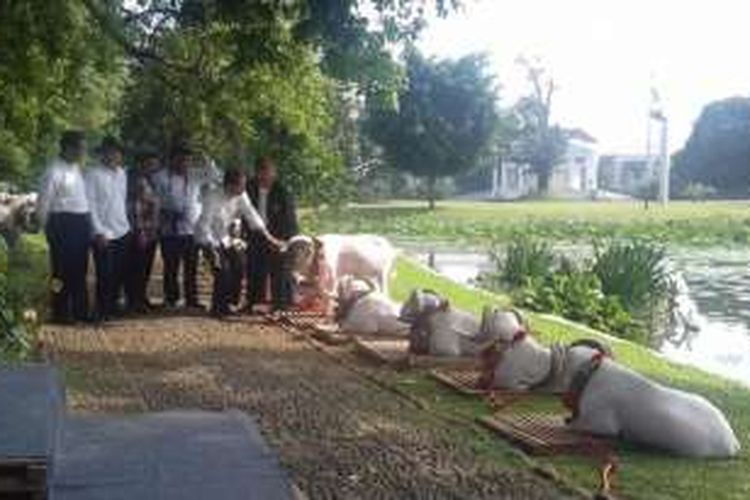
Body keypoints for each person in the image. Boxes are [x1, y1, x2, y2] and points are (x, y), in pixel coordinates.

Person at [195, 168, 282, 318]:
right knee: (223, 270)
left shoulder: (241, 194)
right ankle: (218, 308)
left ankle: (229, 303)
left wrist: (269, 238)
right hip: (207, 238)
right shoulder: (212, 197)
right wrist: (212, 251)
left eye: (244, 185)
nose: (244, 189)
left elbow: (251, 215)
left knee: (239, 265)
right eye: (241, 185)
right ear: (229, 185)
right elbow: (204, 226)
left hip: (225, 238)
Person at [37, 131, 92, 324]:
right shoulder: (53, 170)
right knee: (60, 271)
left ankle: (81, 311)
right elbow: (43, 202)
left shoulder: (76, 168)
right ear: (68, 147)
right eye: (81, 148)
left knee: (80, 269)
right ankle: (59, 311)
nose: (83, 152)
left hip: (80, 222)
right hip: (61, 223)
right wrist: (46, 228)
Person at [85, 136, 131, 321]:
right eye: (109, 152)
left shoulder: (122, 174)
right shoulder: (92, 174)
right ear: (102, 153)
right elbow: (90, 204)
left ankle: (112, 307)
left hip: (122, 229)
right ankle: (101, 310)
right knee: (104, 273)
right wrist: (98, 231)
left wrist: (127, 226)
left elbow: (121, 200)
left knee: (119, 273)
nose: (113, 156)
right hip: (103, 233)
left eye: (117, 152)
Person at [151, 145, 203, 310]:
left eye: (187, 160)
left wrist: (205, 157)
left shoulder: (195, 176)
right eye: (180, 159)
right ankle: (171, 299)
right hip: (169, 228)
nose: (184, 163)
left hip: (191, 229)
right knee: (171, 266)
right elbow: (155, 200)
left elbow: (215, 175)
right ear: (172, 159)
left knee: (191, 267)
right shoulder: (160, 177)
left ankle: (192, 299)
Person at [245, 156, 299, 312]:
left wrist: (285, 242)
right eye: (261, 172)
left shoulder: (283, 191)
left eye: (268, 172)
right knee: (254, 269)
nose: (264, 176)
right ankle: (253, 302)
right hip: (256, 234)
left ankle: (281, 305)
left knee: (280, 271)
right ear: (256, 173)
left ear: (274, 173)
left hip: (279, 236)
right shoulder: (249, 188)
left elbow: (290, 219)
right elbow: (242, 211)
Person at [125, 151, 161, 313]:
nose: (154, 167)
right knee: (137, 267)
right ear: (141, 164)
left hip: (151, 230)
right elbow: (135, 207)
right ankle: (134, 300)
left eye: (155, 164)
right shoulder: (137, 180)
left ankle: (141, 298)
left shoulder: (150, 180)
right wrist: (140, 231)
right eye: (150, 164)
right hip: (140, 230)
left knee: (146, 267)